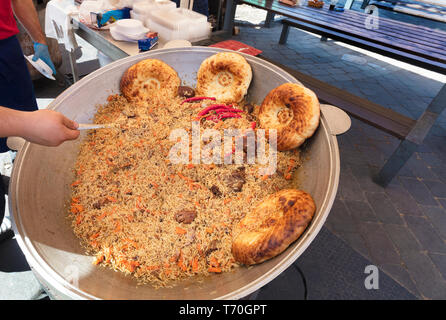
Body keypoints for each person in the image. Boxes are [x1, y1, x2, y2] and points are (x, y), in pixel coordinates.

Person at [0, 0, 80, 237]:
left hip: (5, 44)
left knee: (24, 135)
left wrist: (39, 40)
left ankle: (22, 178)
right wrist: (26, 123)